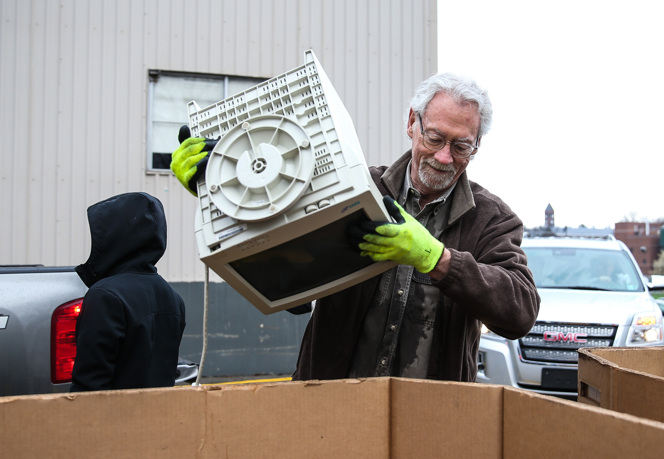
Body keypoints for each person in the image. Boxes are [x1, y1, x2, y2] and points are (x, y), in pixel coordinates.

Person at [171, 73, 540, 382]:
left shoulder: (491, 219)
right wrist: (221, 196)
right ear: (412, 122)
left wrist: (437, 258)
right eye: (435, 138)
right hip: (332, 409)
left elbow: (520, 312)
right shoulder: (352, 189)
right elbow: (290, 292)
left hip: (431, 421)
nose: (445, 157)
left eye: (461, 146)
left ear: (477, 146)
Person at [71, 192, 187, 391]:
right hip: (158, 415)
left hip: (112, 418)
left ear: (114, 236)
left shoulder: (105, 295)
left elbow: (89, 384)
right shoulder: (172, 297)